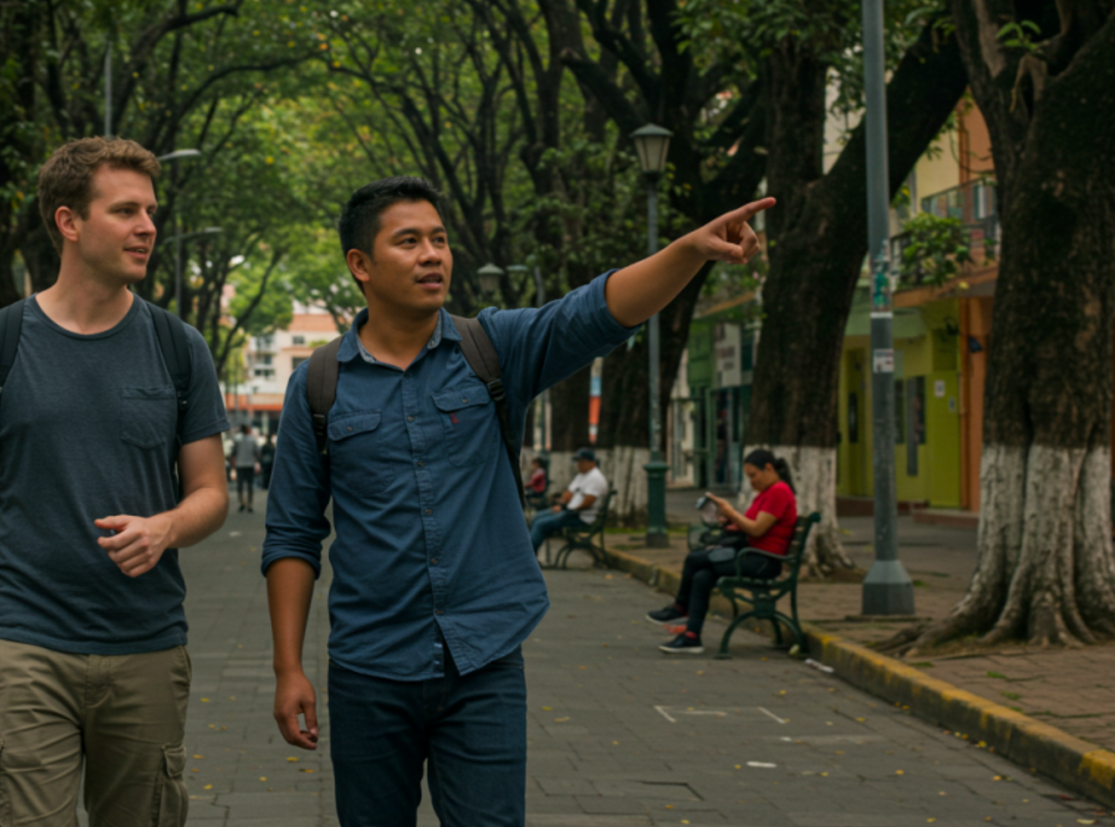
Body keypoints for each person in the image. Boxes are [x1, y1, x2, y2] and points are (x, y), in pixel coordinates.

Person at [262, 175, 769, 827]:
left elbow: (596, 311)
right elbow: (293, 535)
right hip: (370, 668)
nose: (433, 255)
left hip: (484, 660)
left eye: (440, 240)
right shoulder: (318, 387)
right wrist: (287, 669)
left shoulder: (491, 349)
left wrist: (689, 251)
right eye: (409, 241)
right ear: (360, 265)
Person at [0, 137, 230, 827]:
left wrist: (165, 527)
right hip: (28, 640)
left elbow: (211, 492)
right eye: (125, 211)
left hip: (147, 645)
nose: (148, 227)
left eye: (150, 210)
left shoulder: (180, 349)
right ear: (68, 221)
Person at [646, 449, 798, 655]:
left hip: (763, 561)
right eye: (748, 477)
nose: (752, 482)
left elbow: (757, 529)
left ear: (769, 468)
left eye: (754, 475)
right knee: (702, 576)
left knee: (694, 559)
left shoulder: (778, 492)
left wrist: (731, 511)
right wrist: (731, 521)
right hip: (751, 555)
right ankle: (692, 637)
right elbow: (751, 525)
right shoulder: (766, 493)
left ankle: (680, 607)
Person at [528, 448, 608, 557]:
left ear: (592, 462)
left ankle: (529, 555)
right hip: (570, 511)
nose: (579, 464)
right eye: (578, 461)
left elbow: (588, 502)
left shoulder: (595, 478)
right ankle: (532, 551)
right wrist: (562, 505)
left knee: (540, 524)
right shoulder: (582, 475)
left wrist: (568, 509)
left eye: (582, 461)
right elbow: (568, 494)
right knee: (536, 517)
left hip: (581, 517)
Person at [230, 424, 260, 512]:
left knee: (240, 485)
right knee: (250, 485)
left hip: (240, 465)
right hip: (250, 465)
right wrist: (257, 462)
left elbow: (233, 453)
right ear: (247, 430)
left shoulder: (237, 439)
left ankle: (242, 502)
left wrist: (232, 466)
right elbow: (257, 452)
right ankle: (250, 504)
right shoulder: (252, 440)